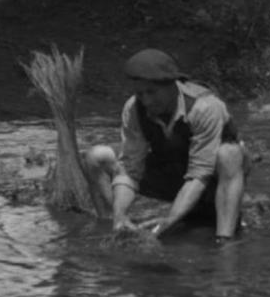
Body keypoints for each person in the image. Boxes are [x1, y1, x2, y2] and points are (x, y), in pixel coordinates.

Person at [84, 48, 248, 242]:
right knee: (96, 157)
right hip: (173, 170)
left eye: (152, 92)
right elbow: (129, 169)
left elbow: (199, 174)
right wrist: (120, 214)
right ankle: (114, 225)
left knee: (229, 154)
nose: (146, 100)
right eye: (140, 93)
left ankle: (225, 239)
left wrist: (169, 220)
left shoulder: (205, 107)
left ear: (173, 85)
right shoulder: (134, 108)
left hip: (210, 180)